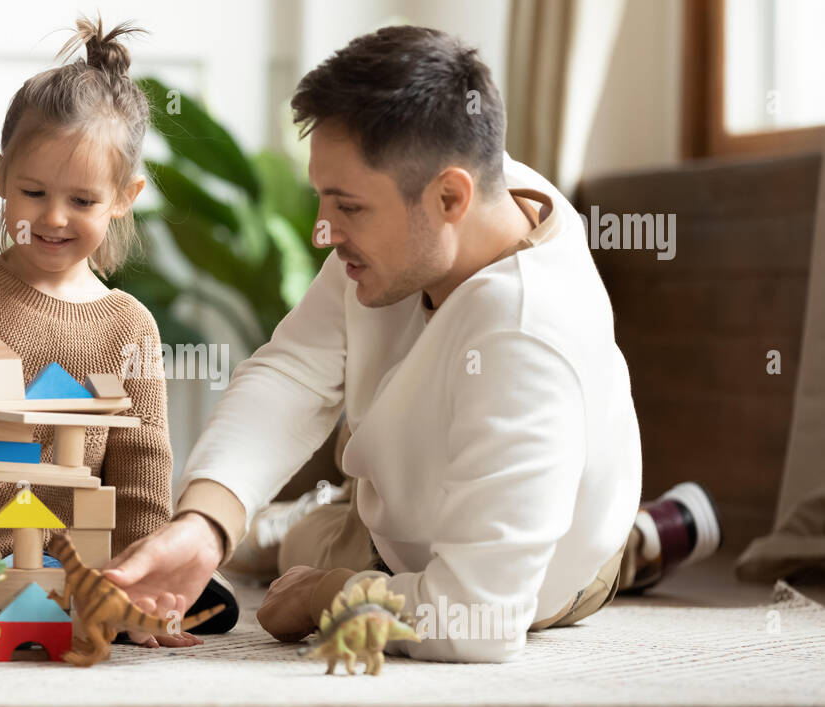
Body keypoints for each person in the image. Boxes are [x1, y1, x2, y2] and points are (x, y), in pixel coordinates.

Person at [105, 25, 718, 661]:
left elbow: (479, 618)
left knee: (301, 561)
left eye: (346, 208)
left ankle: (635, 543)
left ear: (450, 197)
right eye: (324, 199)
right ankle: (289, 522)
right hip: (392, 522)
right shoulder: (448, 189)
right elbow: (295, 371)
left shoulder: (527, 335)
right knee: (290, 543)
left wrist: (329, 597)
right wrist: (207, 524)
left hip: (544, 578)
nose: (322, 232)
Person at [0, 17, 233, 649]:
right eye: (33, 192)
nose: (53, 218)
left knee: (160, 602)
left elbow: (142, 466)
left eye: (82, 201)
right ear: (1, 176)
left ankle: (72, 611)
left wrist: (142, 567)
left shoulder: (129, 325)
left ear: (123, 198)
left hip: (61, 556)